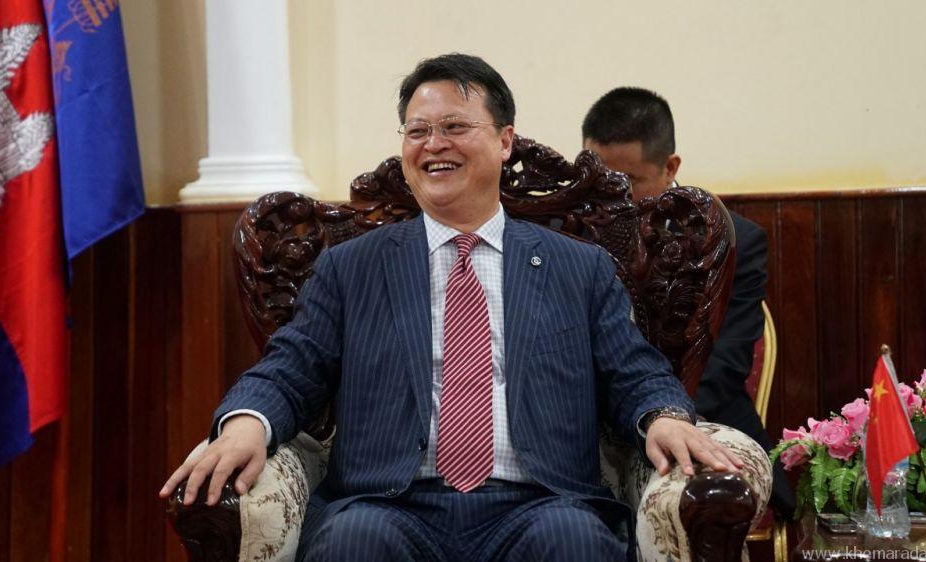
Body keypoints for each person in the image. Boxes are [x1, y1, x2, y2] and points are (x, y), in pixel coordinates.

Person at [161, 55, 742, 562]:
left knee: (575, 541)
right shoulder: (351, 268)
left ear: (505, 141)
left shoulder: (579, 268)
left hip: (539, 502)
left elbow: (632, 371)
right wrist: (246, 423)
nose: (433, 144)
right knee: (350, 542)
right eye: (417, 130)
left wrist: (664, 415)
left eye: (455, 127)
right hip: (389, 503)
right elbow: (290, 368)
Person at [582, 87, 796, 518]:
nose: (610, 199)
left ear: (670, 167)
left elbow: (725, 365)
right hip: (590, 429)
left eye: (627, 183)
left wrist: (659, 418)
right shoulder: (567, 230)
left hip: (701, 415)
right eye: (598, 180)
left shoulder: (730, 240)